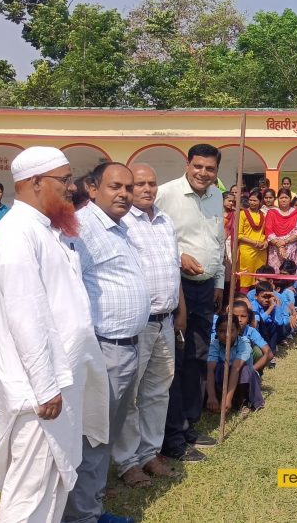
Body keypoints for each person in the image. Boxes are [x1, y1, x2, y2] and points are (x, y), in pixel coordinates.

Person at [0, 146, 107, 522]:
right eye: (64, 180)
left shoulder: (44, 229)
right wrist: (46, 386)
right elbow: (25, 315)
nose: (72, 187)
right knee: (30, 489)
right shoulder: (18, 233)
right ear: (35, 182)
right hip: (38, 389)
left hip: (59, 379)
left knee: (53, 477)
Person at [63, 162, 150, 523]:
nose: (125, 194)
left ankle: (91, 506)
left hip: (126, 346)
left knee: (106, 433)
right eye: (116, 187)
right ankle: (83, 516)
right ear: (92, 187)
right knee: (94, 436)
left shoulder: (119, 228)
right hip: (104, 348)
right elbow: (70, 289)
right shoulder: (82, 229)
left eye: (129, 188)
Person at [114, 164, 183, 485]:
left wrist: (180, 308)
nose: (146, 189)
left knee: (157, 391)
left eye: (151, 183)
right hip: (137, 323)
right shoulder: (122, 223)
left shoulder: (165, 221)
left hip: (165, 320)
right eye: (139, 184)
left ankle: (150, 453)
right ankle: (127, 461)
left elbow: (173, 266)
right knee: (130, 394)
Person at [156, 144, 225, 462]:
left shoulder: (217, 196)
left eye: (210, 169)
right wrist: (177, 255)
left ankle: (188, 425)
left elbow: (218, 241)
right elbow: (148, 236)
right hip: (177, 288)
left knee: (198, 357)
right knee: (177, 359)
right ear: (187, 164)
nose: (203, 173)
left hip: (207, 289)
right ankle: (171, 436)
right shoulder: (165, 194)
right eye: (198, 166)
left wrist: (219, 282)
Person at [205, 318, 263, 413]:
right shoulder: (214, 344)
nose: (226, 335)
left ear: (238, 331)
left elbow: (236, 369)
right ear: (216, 332)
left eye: (231, 331)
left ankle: (243, 401)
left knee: (244, 369)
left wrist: (228, 399)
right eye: (221, 331)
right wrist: (211, 396)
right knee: (214, 367)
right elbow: (210, 369)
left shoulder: (244, 343)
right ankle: (217, 400)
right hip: (224, 381)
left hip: (242, 380)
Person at [264, 189, 297, 271]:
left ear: (290, 199)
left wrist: (285, 242)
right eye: (281, 198)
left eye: (286, 197)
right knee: (276, 273)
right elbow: (268, 231)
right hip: (275, 249)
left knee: (290, 273)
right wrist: (279, 246)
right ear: (277, 199)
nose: (283, 200)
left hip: (291, 249)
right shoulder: (271, 213)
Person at [236, 188, 268, 276]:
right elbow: (239, 235)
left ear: (260, 202)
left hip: (261, 250)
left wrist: (265, 243)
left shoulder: (264, 215)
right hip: (247, 250)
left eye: (255, 200)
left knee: (260, 275)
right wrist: (255, 243)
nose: (252, 202)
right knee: (246, 275)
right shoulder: (242, 214)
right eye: (250, 200)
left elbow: (266, 233)